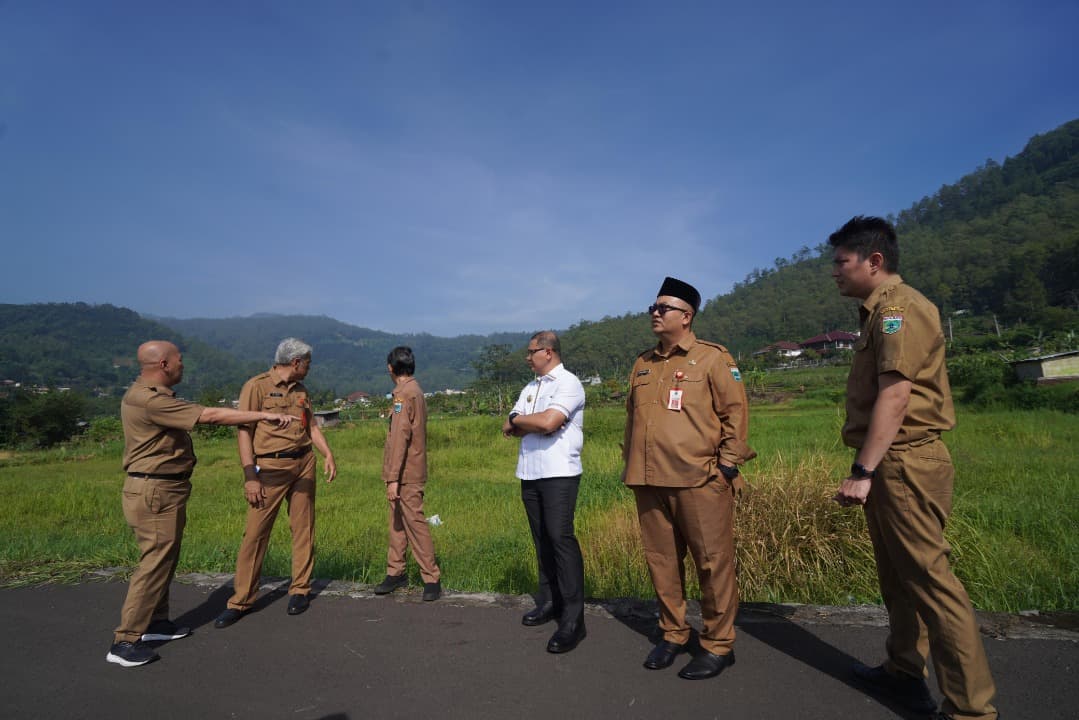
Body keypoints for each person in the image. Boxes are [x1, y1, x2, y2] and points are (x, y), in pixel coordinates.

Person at [830, 216, 998, 720]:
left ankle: (971, 709)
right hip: (892, 461)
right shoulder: (879, 313)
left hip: (903, 460)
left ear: (873, 261)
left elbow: (897, 394)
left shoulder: (898, 311)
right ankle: (904, 669)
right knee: (897, 577)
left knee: (930, 582)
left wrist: (863, 470)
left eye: (841, 263)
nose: (834, 273)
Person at [107, 340, 298, 668]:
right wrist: (264, 414)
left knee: (165, 558)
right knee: (154, 562)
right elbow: (209, 415)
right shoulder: (149, 399)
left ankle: (156, 623)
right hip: (155, 491)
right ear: (164, 364)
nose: (183, 364)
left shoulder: (151, 395)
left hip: (163, 490)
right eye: (178, 359)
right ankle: (125, 640)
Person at [622, 277, 755, 680]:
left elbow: (736, 414)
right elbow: (632, 419)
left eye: (664, 308)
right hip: (648, 481)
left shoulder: (712, 358)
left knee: (712, 564)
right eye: (654, 308)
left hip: (699, 480)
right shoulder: (643, 363)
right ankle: (673, 634)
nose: (656, 313)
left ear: (687, 315)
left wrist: (727, 467)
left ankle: (717, 644)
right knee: (661, 562)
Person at [214, 338, 337, 628]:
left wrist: (327, 453)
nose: (309, 368)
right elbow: (244, 432)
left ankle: (300, 589)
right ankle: (241, 600)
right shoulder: (255, 387)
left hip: (303, 462)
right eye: (307, 362)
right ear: (296, 362)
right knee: (256, 534)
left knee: (303, 528)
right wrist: (250, 476)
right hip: (269, 467)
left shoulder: (301, 390)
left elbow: (311, 425)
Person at [501, 330, 587, 653]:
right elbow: (508, 427)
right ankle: (549, 601)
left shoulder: (569, 384)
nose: (528, 357)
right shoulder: (530, 388)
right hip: (530, 472)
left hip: (558, 474)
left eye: (531, 351)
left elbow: (550, 422)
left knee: (561, 539)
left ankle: (573, 620)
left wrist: (523, 420)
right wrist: (522, 420)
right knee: (542, 540)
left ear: (548, 352)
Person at [371, 346, 442, 601]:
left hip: (406, 473)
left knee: (414, 522)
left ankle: (431, 577)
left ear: (391, 368)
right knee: (397, 522)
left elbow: (401, 438)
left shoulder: (404, 395)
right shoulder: (416, 391)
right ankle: (396, 571)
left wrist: (392, 478)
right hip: (408, 470)